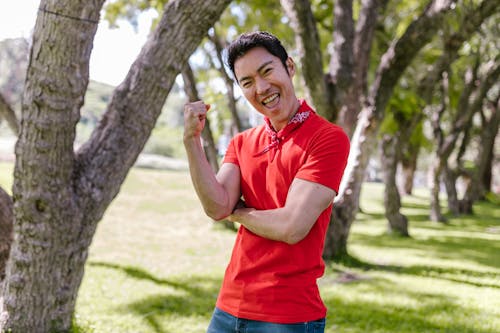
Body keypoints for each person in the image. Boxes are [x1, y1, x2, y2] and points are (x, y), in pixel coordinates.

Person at [183, 31, 350, 333]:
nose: (261, 88)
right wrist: (192, 141)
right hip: (228, 307)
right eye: (246, 82)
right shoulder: (242, 142)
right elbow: (216, 205)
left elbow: (291, 227)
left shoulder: (327, 138)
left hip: (287, 315)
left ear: (289, 66)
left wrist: (238, 213)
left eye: (266, 71)